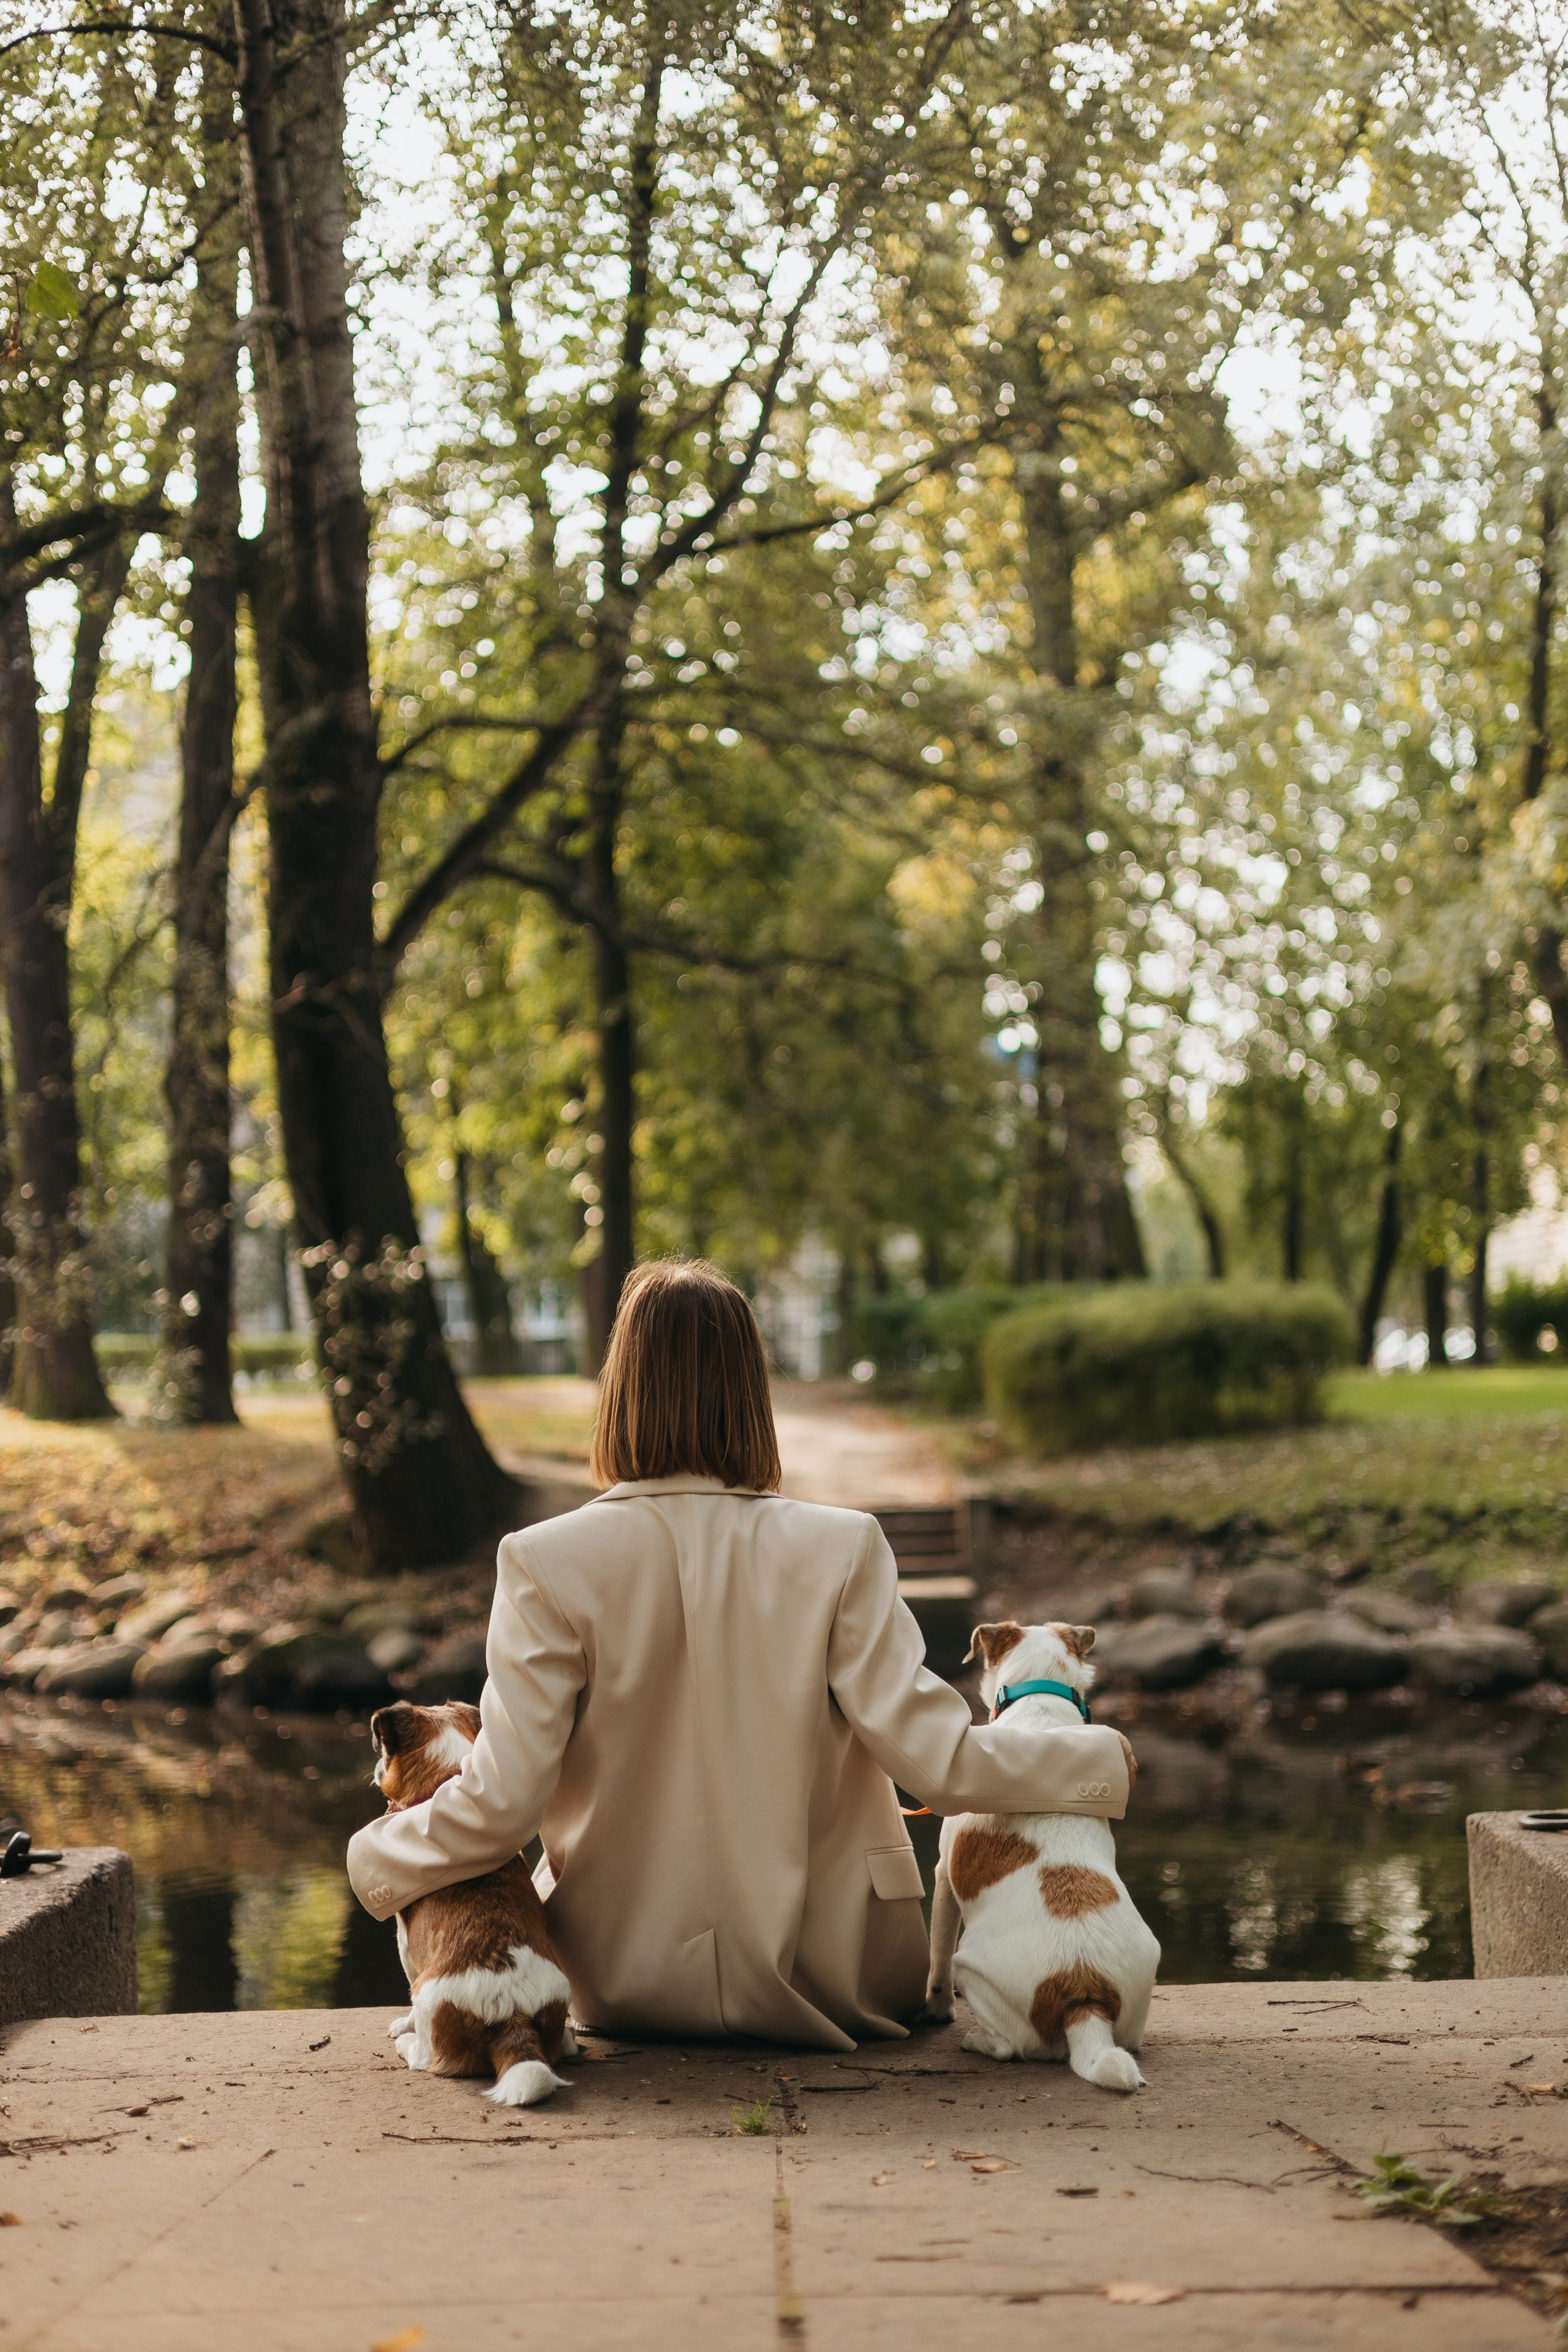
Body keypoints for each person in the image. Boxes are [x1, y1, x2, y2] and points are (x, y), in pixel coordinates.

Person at [347, 1259, 1133, 2051]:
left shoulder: (542, 1561)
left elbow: (500, 1807)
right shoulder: (844, 1547)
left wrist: (377, 1856)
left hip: (612, 1979)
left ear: (618, 1393)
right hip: (839, 1977)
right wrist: (1099, 1761)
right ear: (752, 1396)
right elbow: (943, 1769)